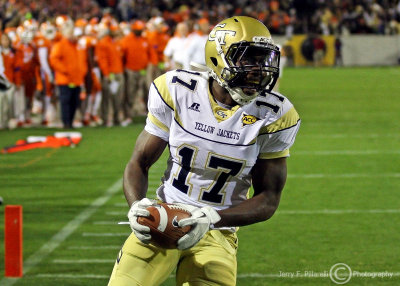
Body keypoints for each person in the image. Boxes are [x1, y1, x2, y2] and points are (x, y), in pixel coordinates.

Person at [108, 16, 300, 286]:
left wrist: (213, 218)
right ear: (218, 58)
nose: (259, 69)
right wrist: (138, 205)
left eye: (263, 60)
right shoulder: (177, 90)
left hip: (218, 231)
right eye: (248, 59)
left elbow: (268, 199)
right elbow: (139, 162)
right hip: (164, 217)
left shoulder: (274, 115)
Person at [49, 18, 86, 129]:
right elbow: (54, 60)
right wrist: (65, 70)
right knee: (66, 101)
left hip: (76, 79)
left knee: (75, 101)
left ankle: (70, 121)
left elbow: (82, 61)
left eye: (72, 32)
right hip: (64, 79)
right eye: (69, 33)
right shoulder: (60, 45)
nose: (71, 35)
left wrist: (82, 72)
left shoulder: (77, 46)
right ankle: (66, 123)